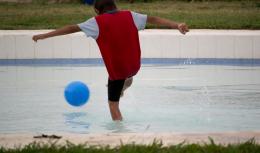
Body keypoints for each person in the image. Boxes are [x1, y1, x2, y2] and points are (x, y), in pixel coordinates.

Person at [32, 0, 189, 121]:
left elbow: (71, 28)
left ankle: (118, 131)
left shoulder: (96, 22)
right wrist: (177, 25)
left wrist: (44, 36)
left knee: (113, 104)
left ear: (96, 10)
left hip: (117, 71)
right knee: (128, 80)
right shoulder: (130, 15)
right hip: (134, 66)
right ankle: (120, 90)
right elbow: (153, 19)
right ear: (116, 6)